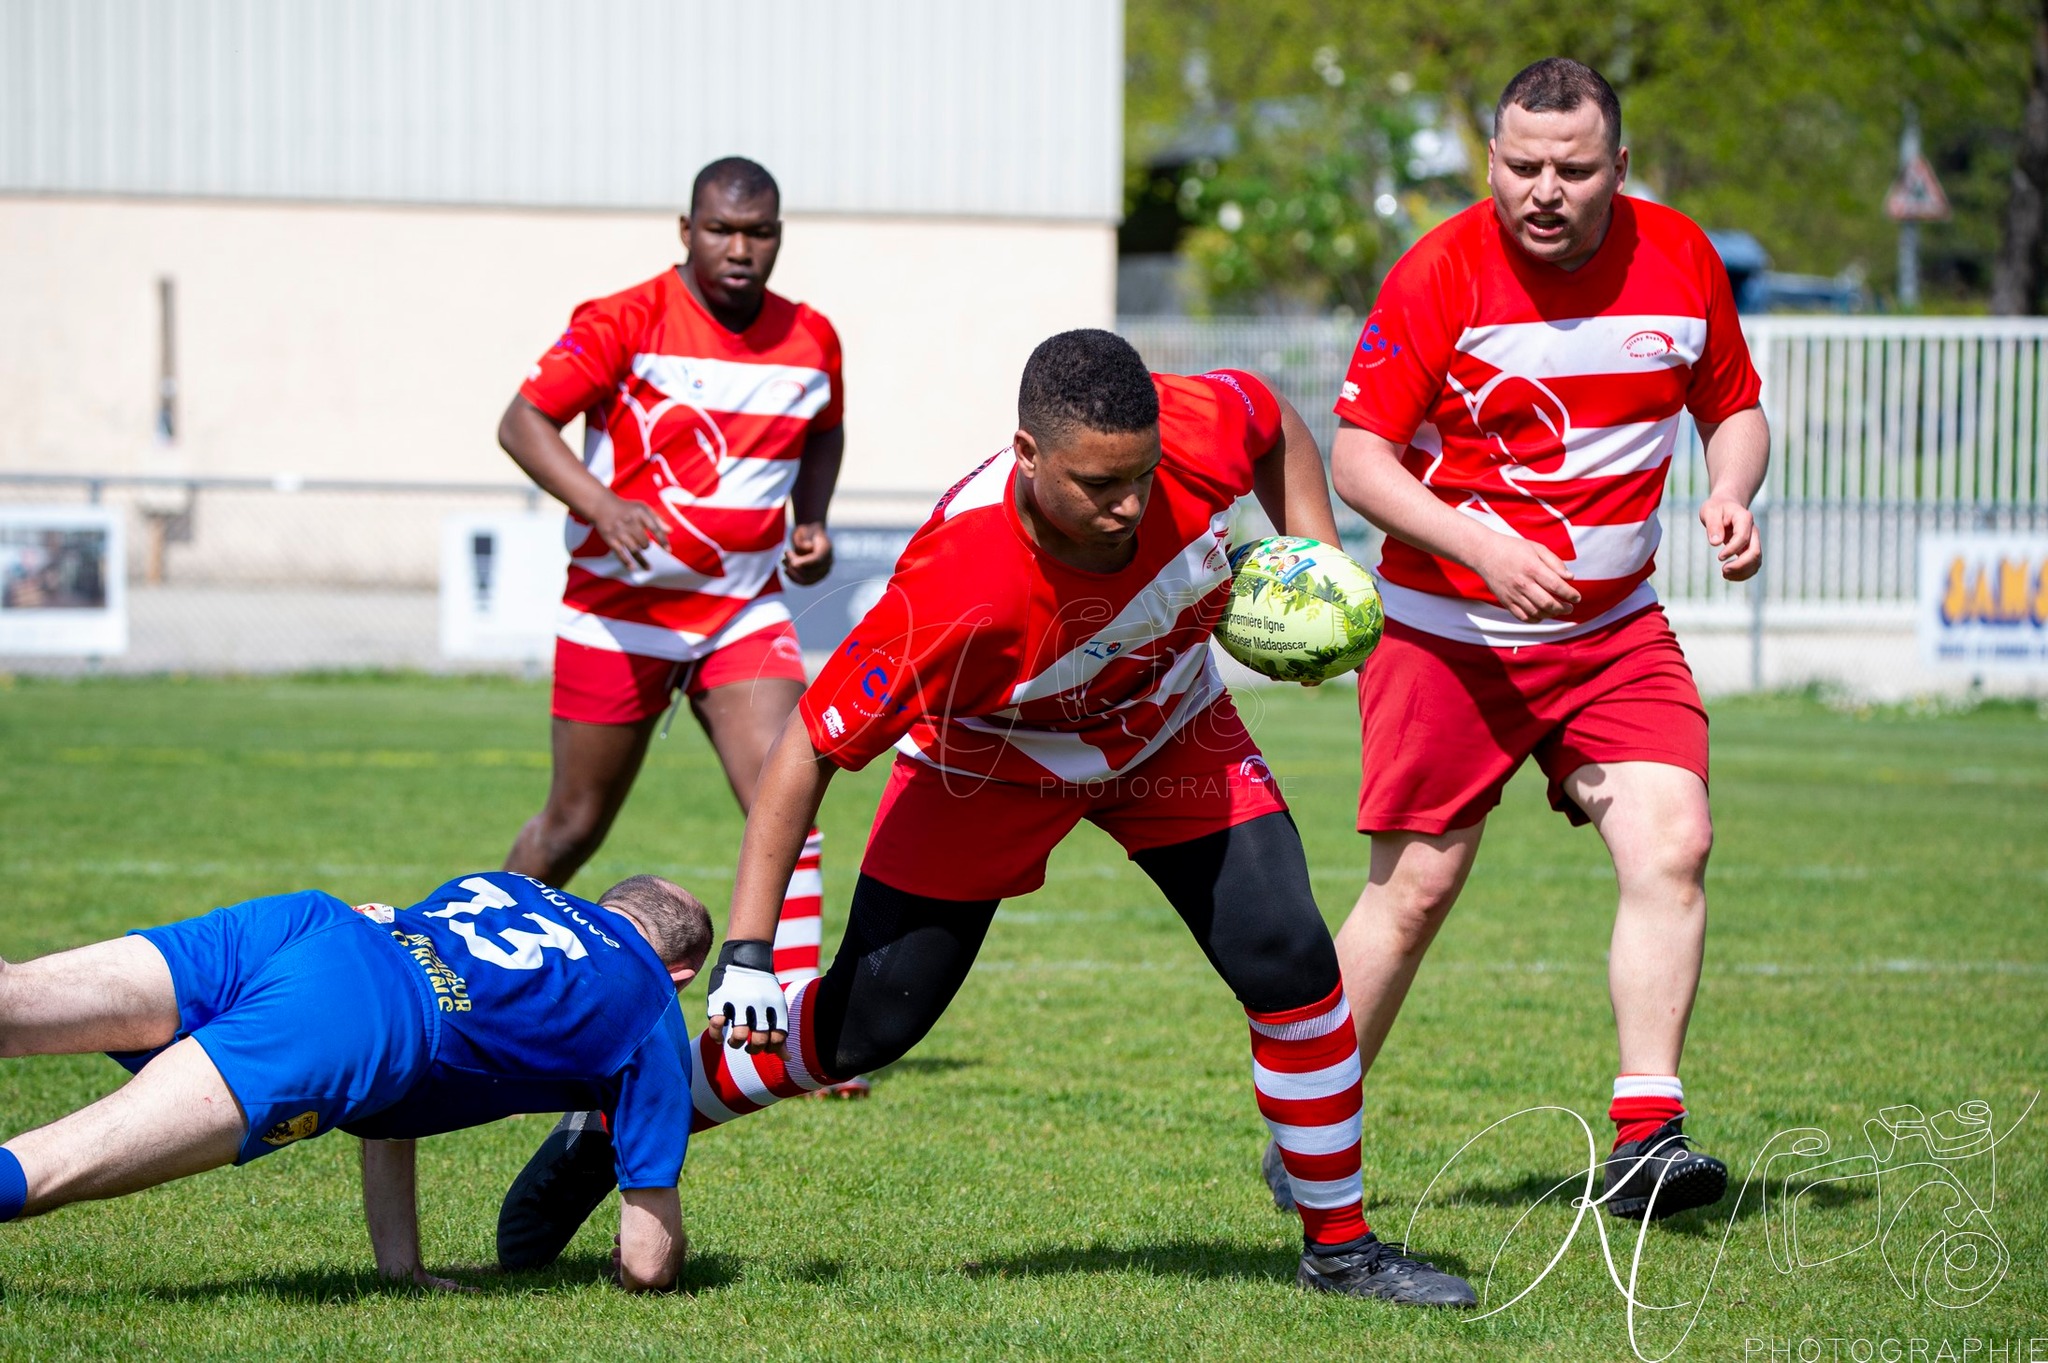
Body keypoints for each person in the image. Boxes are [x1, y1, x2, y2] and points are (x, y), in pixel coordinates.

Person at [497, 328, 1479, 1308]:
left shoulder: (1186, 428)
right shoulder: (952, 585)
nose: (1129, 504)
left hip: (1169, 729)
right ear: (1026, 456)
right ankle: (630, 1114)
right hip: (990, 764)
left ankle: (1340, 1250)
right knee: (871, 1023)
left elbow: (1269, 422)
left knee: (1290, 957)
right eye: (1098, 485)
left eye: (1140, 476)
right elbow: (803, 752)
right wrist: (749, 950)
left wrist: (1307, 557)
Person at [1293, 57, 1768, 1222]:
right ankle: (1311, 1119)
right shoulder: (1438, 271)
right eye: (1519, 166)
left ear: (1618, 165)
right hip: (1444, 634)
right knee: (1414, 890)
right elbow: (1357, 457)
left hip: (1610, 635)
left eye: (1571, 167)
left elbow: (1732, 405)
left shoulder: (1680, 257)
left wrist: (1731, 490)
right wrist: (1477, 544)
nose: (1541, 190)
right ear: (1490, 159)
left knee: (1673, 839)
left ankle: (1647, 1137)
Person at [499, 155, 857, 1055]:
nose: (741, 249)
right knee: (572, 825)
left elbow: (826, 429)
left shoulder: (813, 338)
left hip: (742, 611)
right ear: (686, 230)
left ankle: (794, 1028)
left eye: (759, 231)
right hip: (619, 617)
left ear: (779, 235)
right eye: (721, 229)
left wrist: (809, 522)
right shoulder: (623, 319)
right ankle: (479, 970)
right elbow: (522, 422)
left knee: (790, 802)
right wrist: (602, 504)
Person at [0, 871, 710, 1292]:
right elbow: (646, 1264)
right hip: (358, 1010)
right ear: (681, 973)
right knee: (50, 1164)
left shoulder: (513, 886)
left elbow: (399, 1100)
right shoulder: (652, 1003)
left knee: (17, 998)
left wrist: (400, 1269)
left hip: (308, 921)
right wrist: (661, 1260)